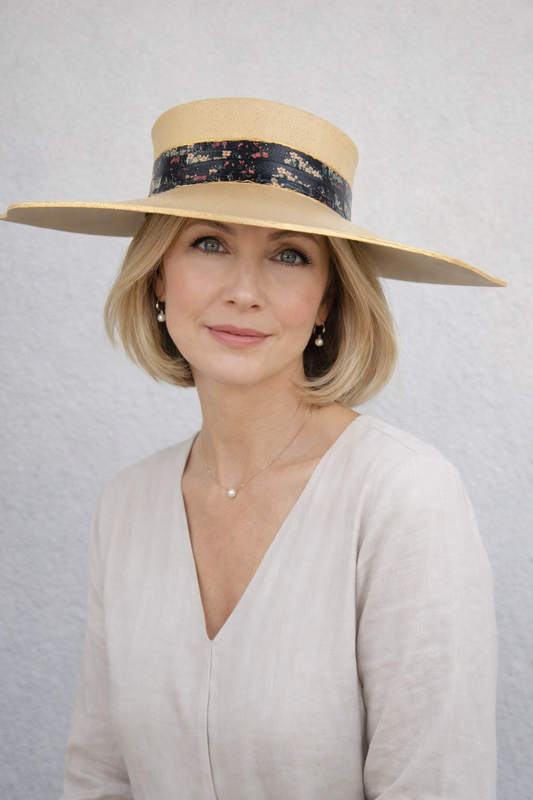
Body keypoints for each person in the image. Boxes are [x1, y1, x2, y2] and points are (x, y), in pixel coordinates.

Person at [2, 98, 505, 800]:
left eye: (289, 255)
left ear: (328, 297)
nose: (243, 291)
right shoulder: (127, 505)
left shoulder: (402, 496)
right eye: (208, 243)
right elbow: (97, 778)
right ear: (156, 275)